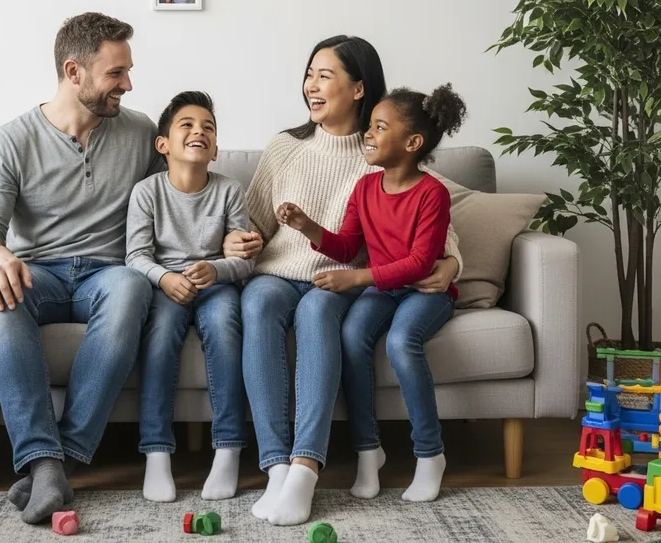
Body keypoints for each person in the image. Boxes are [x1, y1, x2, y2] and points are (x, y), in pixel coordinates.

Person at [224, 36, 462, 527]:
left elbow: (437, 229)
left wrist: (452, 263)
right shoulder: (285, 148)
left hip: (334, 282)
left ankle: (305, 467)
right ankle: (275, 467)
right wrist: (237, 242)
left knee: (316, 311)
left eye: (324, 75)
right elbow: (250, 224)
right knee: (259, 303)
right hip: (277, 273)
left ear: (358, 88)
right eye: (309, 73)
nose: (311, 85)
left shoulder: (380, 150)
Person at [0, 13, 164, 525]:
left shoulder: (139, 131)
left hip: (107, 273)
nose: (129, 84)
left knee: (131, 290)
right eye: (116, 73)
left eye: (129, 71)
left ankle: (54, 466)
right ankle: (48, 462)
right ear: (74, 72)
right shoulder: (12, 139)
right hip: (40, 274)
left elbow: (177, 197)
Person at [279, 84, 467, 504]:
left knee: (402, 342)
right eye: (371, 125)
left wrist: (357, 278)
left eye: (380, 127)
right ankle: (369, 451)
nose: (368, 133)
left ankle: (430, 454)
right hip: (385, 291)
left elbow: (421, 263)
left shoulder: (432, 193)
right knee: (350, 337)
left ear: (412, 143)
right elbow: (346, 245)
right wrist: (308, 226)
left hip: (424, 293)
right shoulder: (365, 188)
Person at [127, 91, 254, 502]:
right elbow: (136, 256)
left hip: (216, 286)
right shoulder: (146, 193)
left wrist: (216, 268)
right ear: (162, 145)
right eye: (187, 125)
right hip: (167, 288)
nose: (199, 131)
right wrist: (165, 279)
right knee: (160, 337)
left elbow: (246, 260)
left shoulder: (230, 191)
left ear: (215, 149)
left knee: (225, 328)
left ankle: (228, 450)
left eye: (208, 128)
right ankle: (157, 455)